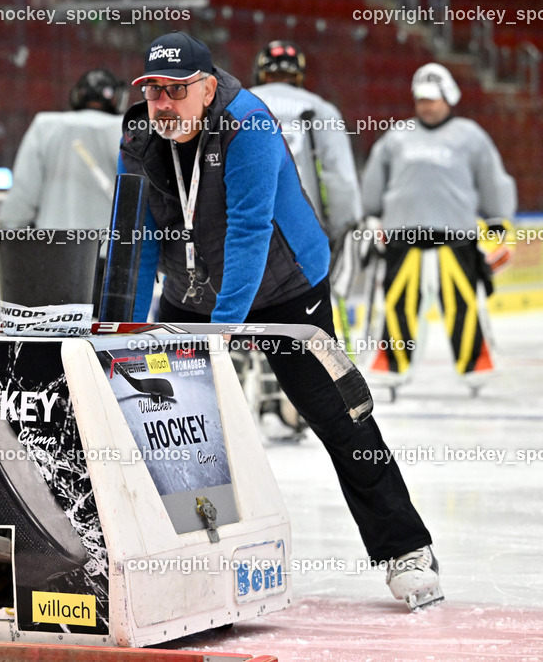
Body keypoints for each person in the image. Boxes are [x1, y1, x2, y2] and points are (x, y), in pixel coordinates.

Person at [118, 31, 442, 611]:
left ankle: (406, 548)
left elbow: (249, 232)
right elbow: (136, 237)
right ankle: (192, 554)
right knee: (170, 425)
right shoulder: (140, 133)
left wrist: (221, 334)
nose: (162, 104)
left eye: (175, 91)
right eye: (153, 92)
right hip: (192, 294)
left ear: (208, 87)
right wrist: (120, 326)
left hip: (287, 288)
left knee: (342, 419)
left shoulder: (249, 124)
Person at [361, 63, 517, 398]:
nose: (426, 106)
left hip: (456, 237)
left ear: (449, 98)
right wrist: (371, 216)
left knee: (462, 303)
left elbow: (493, 181)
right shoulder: (396, 136)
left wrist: (498, 223)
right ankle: (391, 363)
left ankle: (475, 363)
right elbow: (374, 180)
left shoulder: (471, 136)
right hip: (402, 237)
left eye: (432, 99)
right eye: (421, 99)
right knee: (398, 305)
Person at [249, 40, 362, 297]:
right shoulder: (320, 109)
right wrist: (341, 231)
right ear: (298, 75)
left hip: (247, 232)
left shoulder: (237, 104)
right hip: (305, 236)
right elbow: (340, 180)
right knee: (304, 319)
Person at [0, 68, 128, 229]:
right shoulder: (128, 130)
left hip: (54, 247)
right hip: (112, 248)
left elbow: (23, 195)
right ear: (117, 97)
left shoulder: (44, 126)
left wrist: (8, 233)